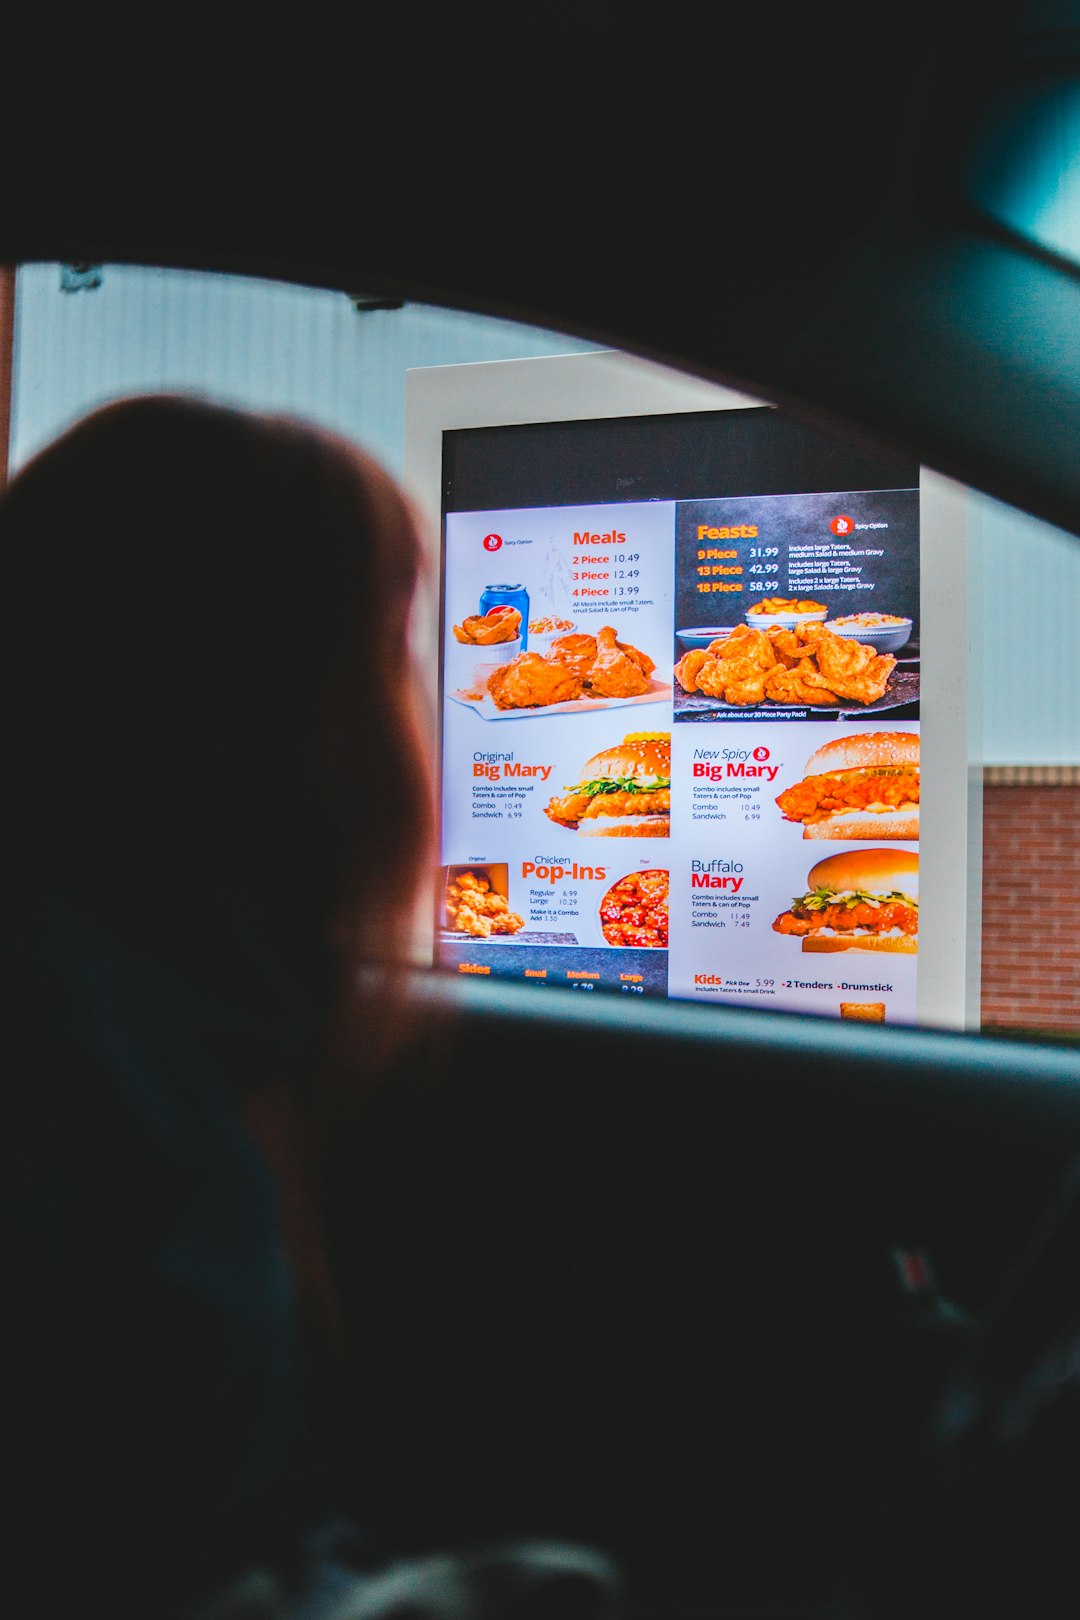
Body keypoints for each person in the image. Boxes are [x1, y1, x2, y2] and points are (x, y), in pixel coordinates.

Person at [0, 396, 619, 1620]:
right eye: (388, 646)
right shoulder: (68, 1034)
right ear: (245, 692)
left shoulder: (163, 998)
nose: (415, 707)